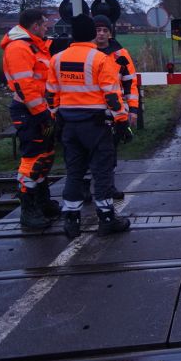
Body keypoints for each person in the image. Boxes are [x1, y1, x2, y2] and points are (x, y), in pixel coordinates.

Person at [46, 14, 131, 238]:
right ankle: (107, 219)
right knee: (101, 172)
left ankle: (72, 220)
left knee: (74, 172)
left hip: (69, 124)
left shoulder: (57, 58)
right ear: (93, 34)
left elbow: (51, 94)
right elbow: (112, 95)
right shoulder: (100, 59)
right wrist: (121, 120)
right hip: (96, 125)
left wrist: (55, 118)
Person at [0, 8, 60, 229]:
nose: (47, 28)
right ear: (35, 25)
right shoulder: (19, 48)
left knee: (46, 155)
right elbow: (25, 87)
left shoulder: (34, 45)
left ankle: (42, 202)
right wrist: (42, 114)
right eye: (44, 24)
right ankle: (28, 210)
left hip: (38, 109)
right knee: (33, 158)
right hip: (29, 111)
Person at [93, 14, 138, 199]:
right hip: (92, 110)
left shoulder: (120, 54)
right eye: (97, 30)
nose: (101, 34)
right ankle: (90, 187)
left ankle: (107, 186)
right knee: (91, 152)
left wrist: (133, 110)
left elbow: (130, 83)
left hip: (114, 111)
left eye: (105, 30)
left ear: (110, 33)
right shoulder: (87, 53)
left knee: (110, 151)